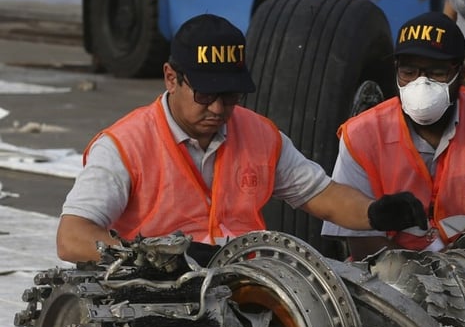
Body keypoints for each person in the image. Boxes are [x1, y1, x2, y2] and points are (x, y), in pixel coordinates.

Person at [56, 14, 426, 265]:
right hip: (159, 293)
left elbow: (323, 196)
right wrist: (159, 258)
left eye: (230, 96)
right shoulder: (124, 145)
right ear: (171, 78)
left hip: (246, 283)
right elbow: (72, 238)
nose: (218, 108)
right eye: (205, 95)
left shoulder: (260, 134)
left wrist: (375, 213)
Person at [322, 11, 465, 260]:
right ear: (395, 71)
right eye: (409, 72)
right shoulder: (361, 134)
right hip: (388, 275)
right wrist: (420, 273)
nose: (421, 84)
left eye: (437, 73)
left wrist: (452, 267)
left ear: (462, 71)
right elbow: (360, 239)